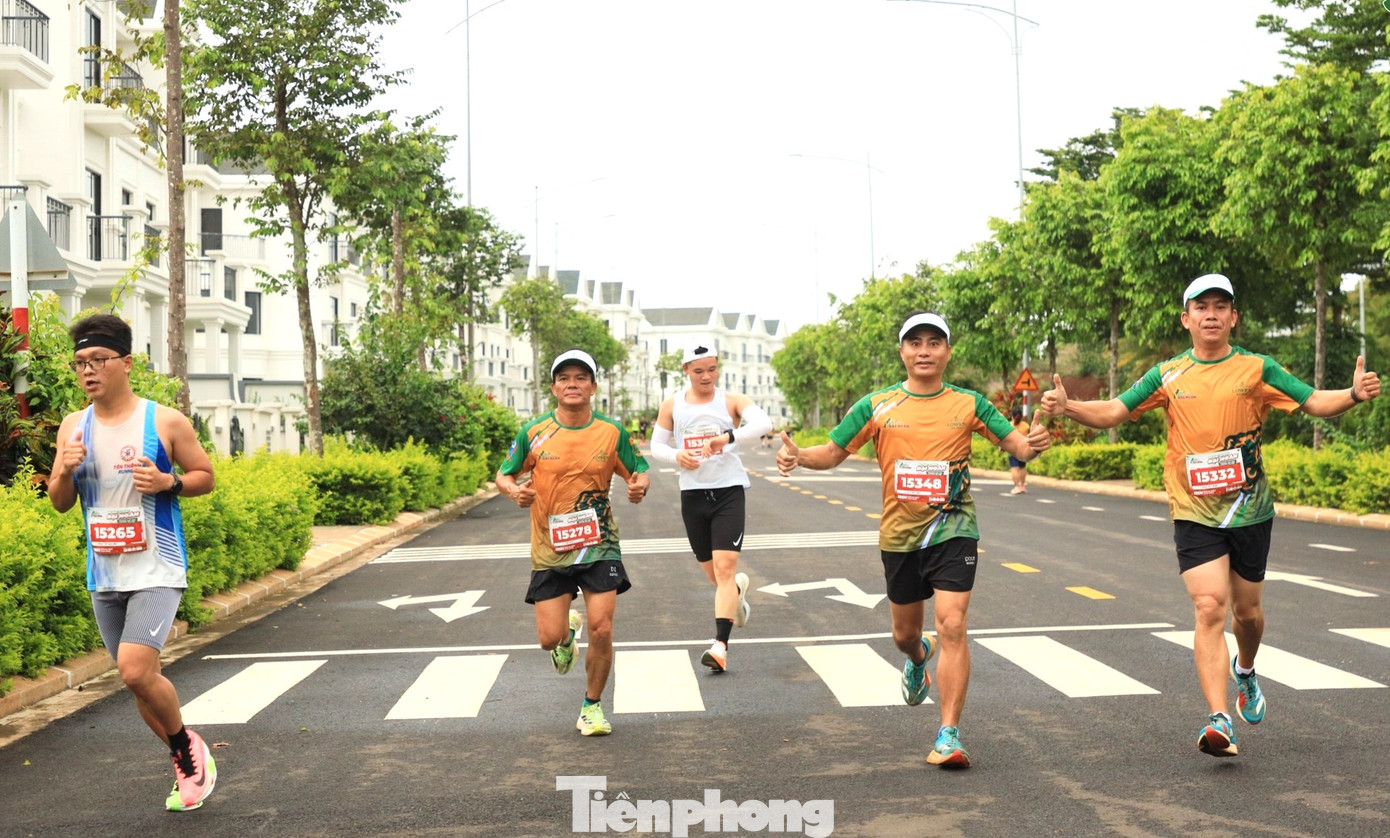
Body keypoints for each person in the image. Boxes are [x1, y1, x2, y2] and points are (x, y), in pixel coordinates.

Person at [1040, 273, 1381, 758]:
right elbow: (1115, 410)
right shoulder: (1168, 374)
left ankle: (1245, 669)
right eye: (1201, 307)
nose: (1212, 314)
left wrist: (1351, 395)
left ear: (1234, 317)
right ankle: (1219, 719)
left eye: (1221, 306)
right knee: (1208, 607)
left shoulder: (1257, 368)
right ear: (1187, 319)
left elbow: (1313, 402)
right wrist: (1069, 406)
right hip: (1193, 510)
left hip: (1250, 511)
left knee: (1248, 613)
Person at [777, 312, 1050, 768]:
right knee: (905, 634)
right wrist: (799, 456)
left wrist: (1035, 441)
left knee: (953, 625)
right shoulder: (876, 405)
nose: (924, 350)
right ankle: (917, 656)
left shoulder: (969, 403)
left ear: (947, 351)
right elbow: (833, 452)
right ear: (902, 351)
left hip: (954, 529)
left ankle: (948, 734)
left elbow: (1018, 447)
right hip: (900, 536)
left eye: (934, 342)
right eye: (915, 342)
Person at [46, 313, 218, 812]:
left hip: (157, 565)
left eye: (98, 360)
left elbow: (205, 474)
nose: (88, 371)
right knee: (138, 682)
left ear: (126, 362)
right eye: (80, 363)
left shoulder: (162, 420)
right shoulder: (72, 427)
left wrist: (171, 483)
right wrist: (62, 470)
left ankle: (186, 749)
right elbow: (59, 502)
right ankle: (185, 756)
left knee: (135, 669)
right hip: (104, 570)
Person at [495, 349, 651, 736]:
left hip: (599, 542)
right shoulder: (534, 433)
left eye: (581, 377)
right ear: (553, 387)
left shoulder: (611, 432)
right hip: (550, 547)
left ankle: (592, 707)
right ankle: (567, 633)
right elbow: (504, 475)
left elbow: (639, 471)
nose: (573, 384)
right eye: (564, 378)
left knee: (603, 627)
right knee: (549, 640)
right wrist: (515, 492)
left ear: (593, 386)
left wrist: (638, 486)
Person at [647, 344, 774, 672]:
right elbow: (656, 446)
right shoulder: (672, 405)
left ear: (718, 368)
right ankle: (736, 594)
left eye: (712, 369)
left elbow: (763, 423)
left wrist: (727, 438)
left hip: (729, 492)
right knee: (716, 577)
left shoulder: (730, 400)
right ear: (686, 369)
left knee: (724, 569)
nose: (706, 376)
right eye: (699, 370)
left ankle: (720, 645)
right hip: (693, 496)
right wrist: (677, 456)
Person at [1006, 407, 1030, 494]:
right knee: (1022, 467)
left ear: (1012, 416)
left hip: (1013, 449)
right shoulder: (1026, 425)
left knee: (1014, 468)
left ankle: (1017, 486)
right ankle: (1022, 486)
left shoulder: (1009, 425)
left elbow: (1005, 438)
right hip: (1024, 449)